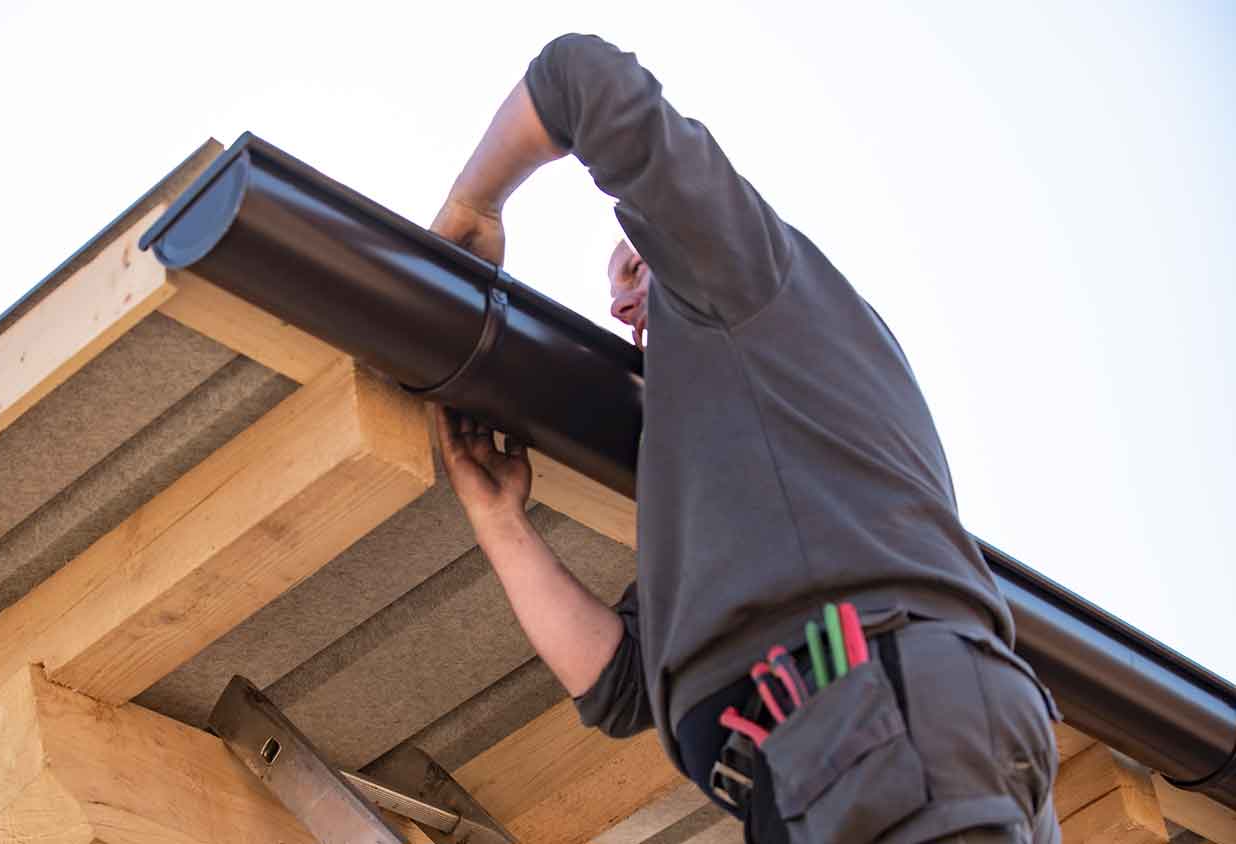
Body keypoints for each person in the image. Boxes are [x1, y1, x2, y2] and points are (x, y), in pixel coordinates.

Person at [428, 34, 1063, 843]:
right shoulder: (753, 468)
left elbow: (579, 79)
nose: (619, 308)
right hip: (842, 752)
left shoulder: (743, 270)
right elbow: (625, 684)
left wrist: (473, 206)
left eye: (631, 269)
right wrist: (497, 520)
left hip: (873, 730)